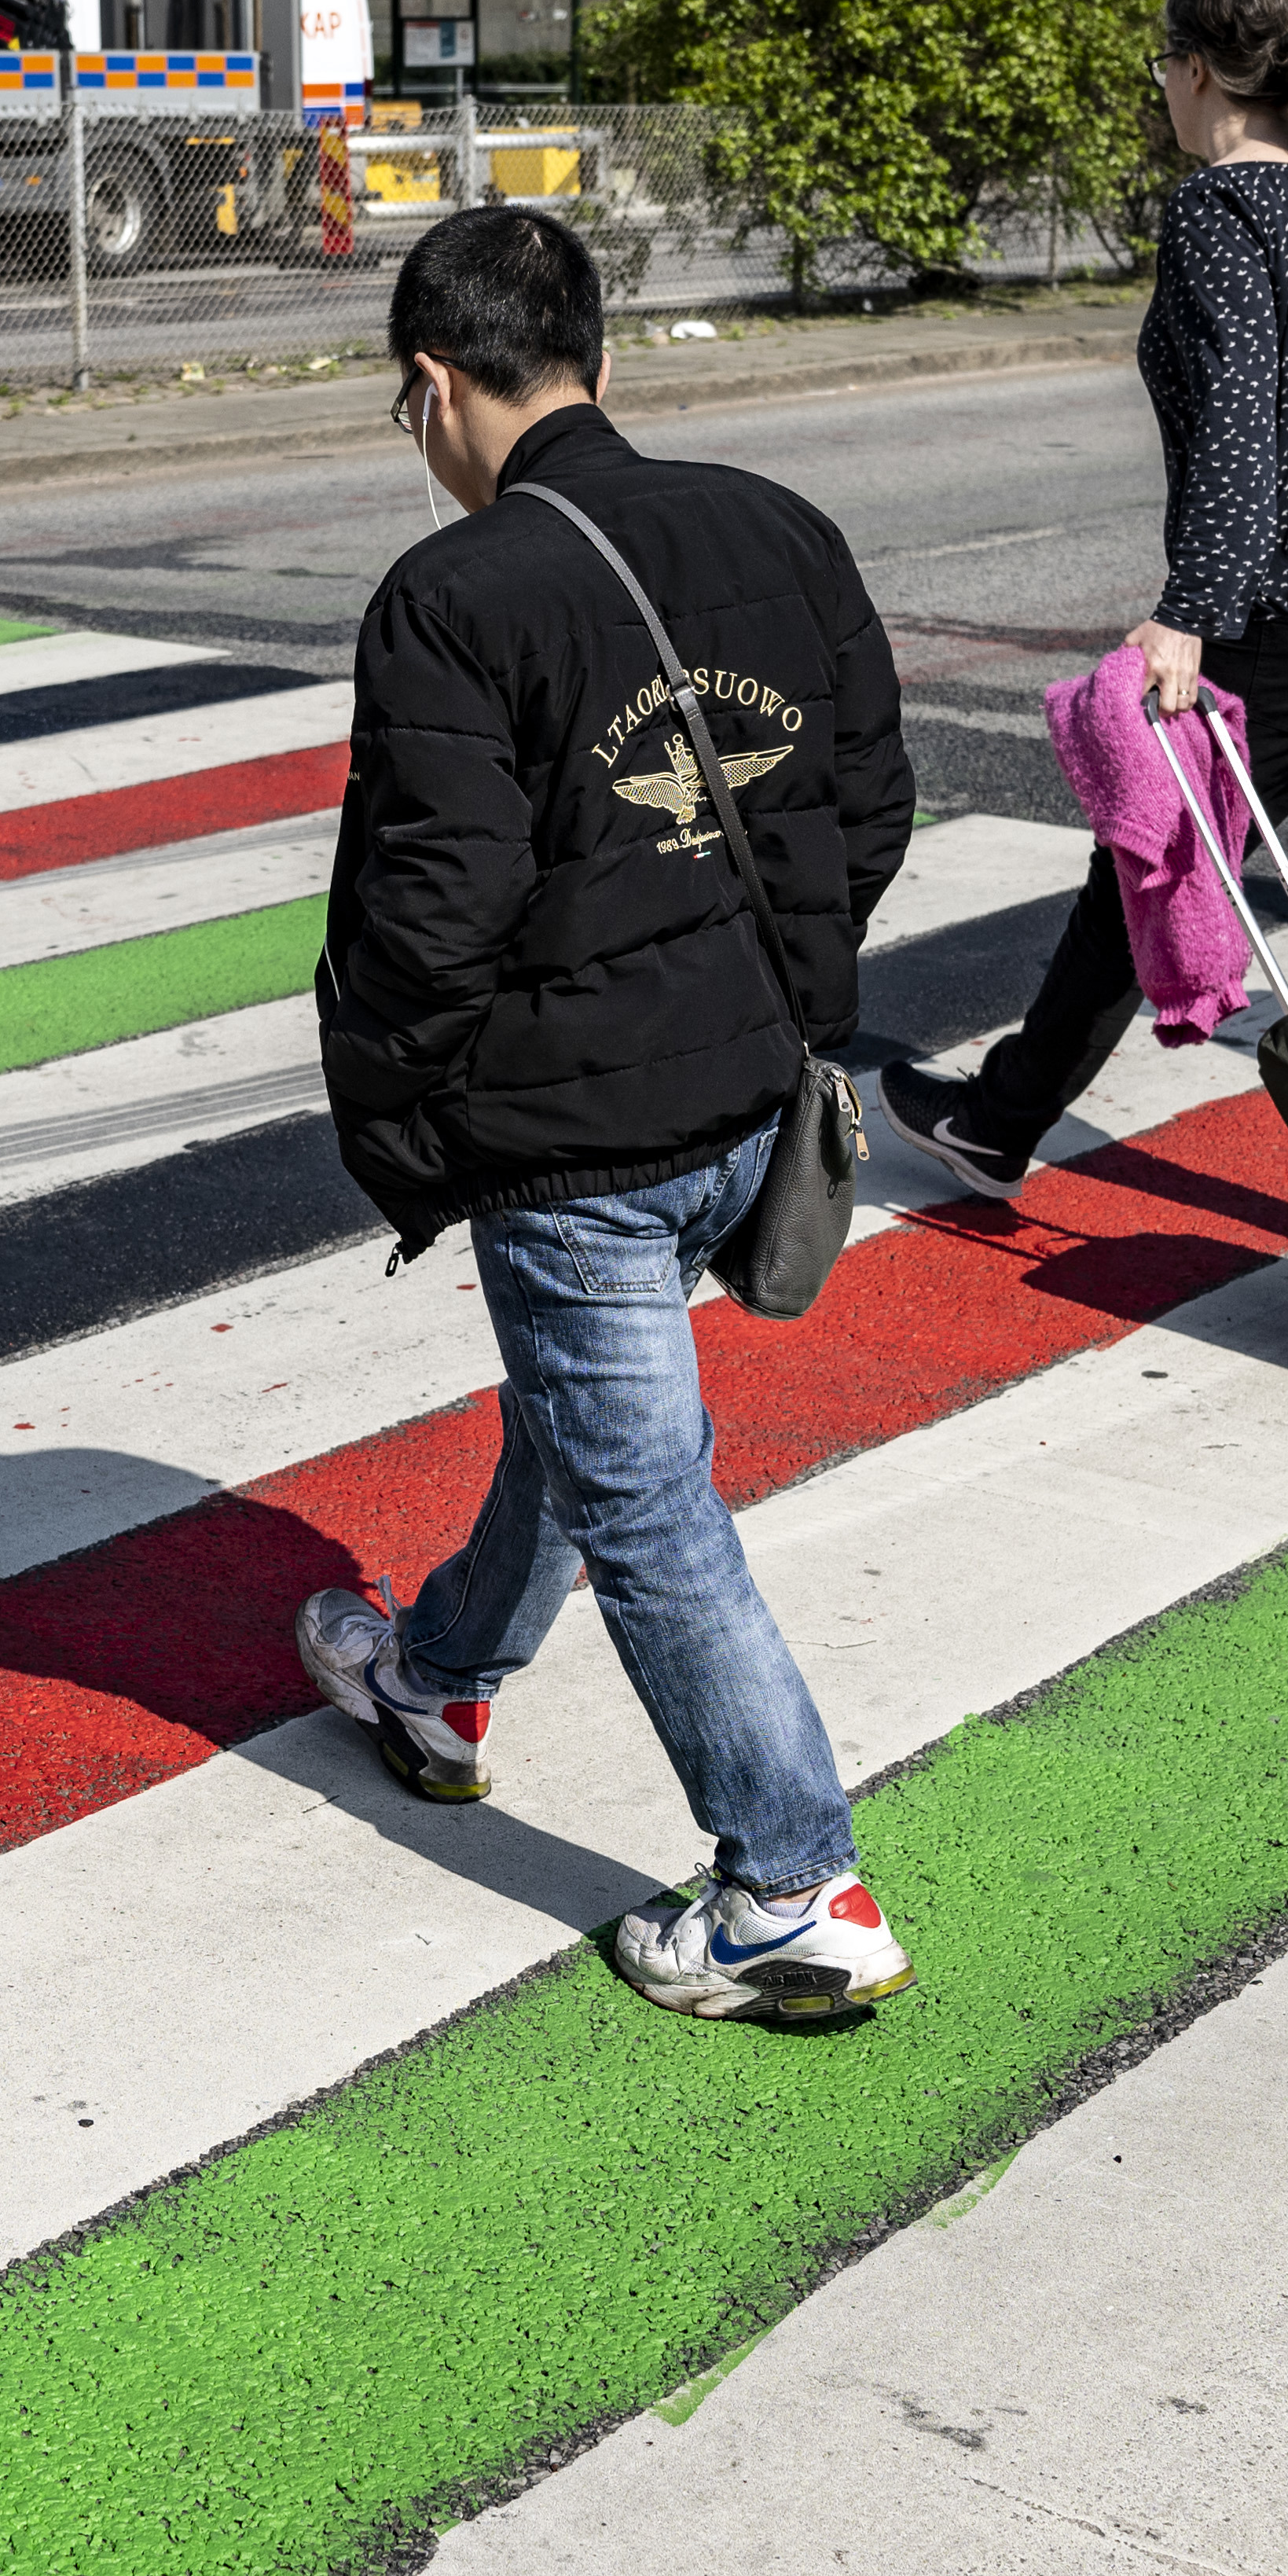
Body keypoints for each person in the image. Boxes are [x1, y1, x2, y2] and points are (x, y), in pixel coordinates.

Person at [289, 203, 922, 2026]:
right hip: (752, 1095)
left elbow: (431, 920)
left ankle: (789, 1886)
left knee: (647, 1503)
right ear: (598, 360)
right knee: (588, 1419)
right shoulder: (777, 528)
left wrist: (410, 1115)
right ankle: (438, 1676)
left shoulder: (454, 595)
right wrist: (777, 1002)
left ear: (430, 387)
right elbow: (868, 806)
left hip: (576, 1149)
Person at [886, 0, 1288, 1201]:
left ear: (1197, 69)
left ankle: (998, 1121)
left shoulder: (1223, 207)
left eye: (1163, 67)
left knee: (1152, 858)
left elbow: (1238, 426)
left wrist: (1189, 612)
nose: (1161, 88)